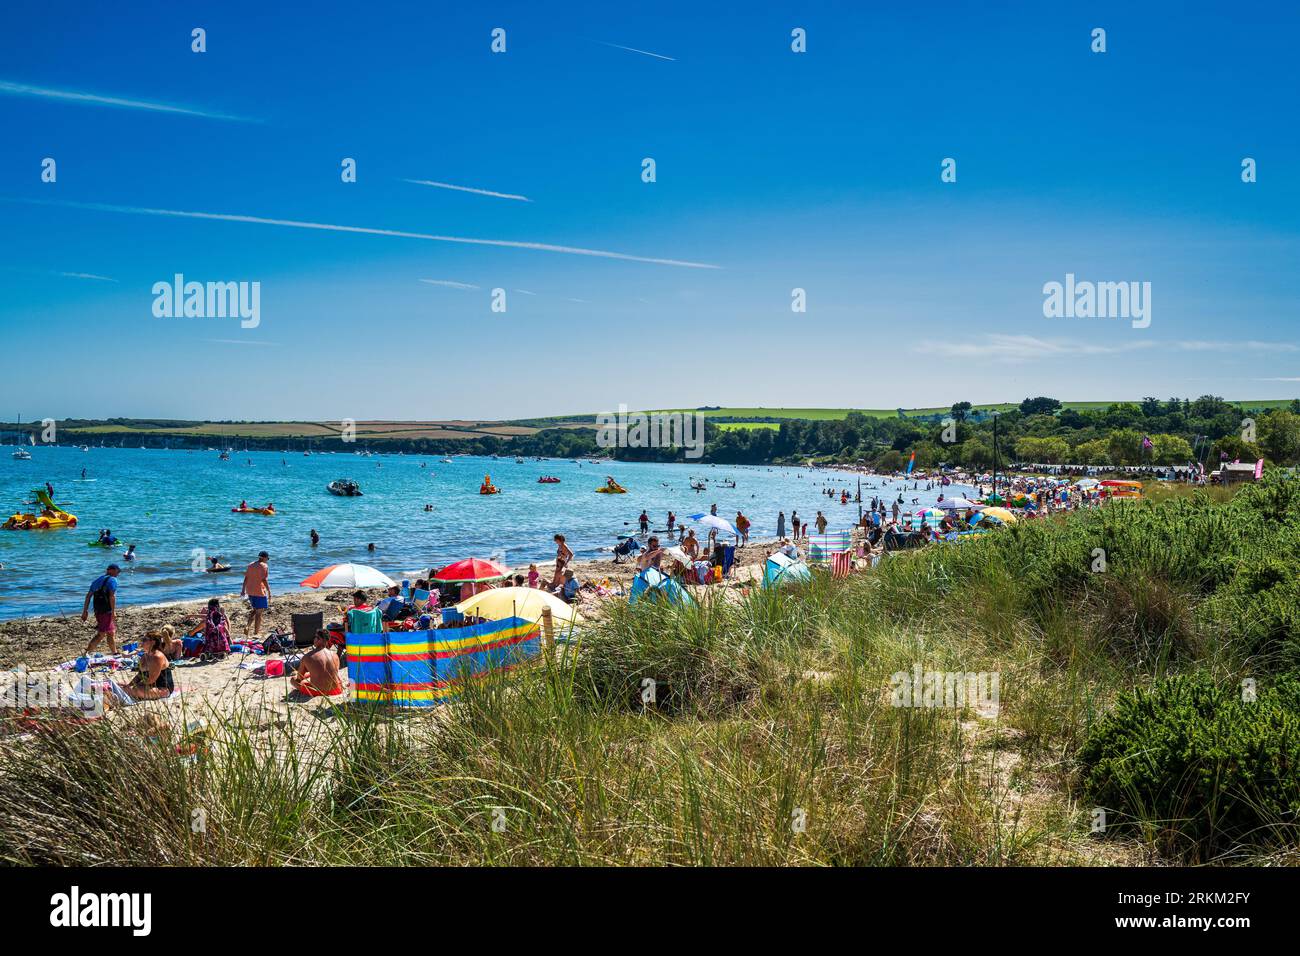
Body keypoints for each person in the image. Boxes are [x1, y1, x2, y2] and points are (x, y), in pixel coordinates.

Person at [119, 630, 175, 701]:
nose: (142, 642)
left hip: (163, 688)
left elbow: (151, 680)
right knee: (120, 684)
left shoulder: (157, 657)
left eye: (145, 640)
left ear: (153, 642)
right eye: (142, 639)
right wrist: (130, 684)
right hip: (149, 686)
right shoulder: (144, 656)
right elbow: (140, 675)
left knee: (134, 689)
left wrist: (135, 686)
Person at [80, 564, 121, 656]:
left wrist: (85, 611)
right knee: (101, 634)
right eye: (117, 572)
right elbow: (112, 596)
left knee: (111, 632)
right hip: (107, 611)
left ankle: (114, 653)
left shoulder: (97, 580)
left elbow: (88, 596)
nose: (118, 574)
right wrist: (113, 611)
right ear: (112, 570)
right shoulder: (113, 580)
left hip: (98, 610)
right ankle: (86, 654)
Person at [290, 630, 345, 697]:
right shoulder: (335, 655)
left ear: (319, 640)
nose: (314, 639)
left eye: (315, 637)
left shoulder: (307, 657)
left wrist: (298, 677)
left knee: (293, 680)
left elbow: (299, 678)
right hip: (336, 690)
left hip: (317, 692)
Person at [241, 551, 271, 636]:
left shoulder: (251, 565)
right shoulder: (264, 566)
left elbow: (246, 578)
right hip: (259, 591)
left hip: (250, 590)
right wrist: (269, 591)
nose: (267, 560)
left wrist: (243, 590)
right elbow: (264, 580)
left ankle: (247, 626)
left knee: (255, 609)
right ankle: (256, 632)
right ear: (264, 558)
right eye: (267, 558)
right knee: (259, 613)